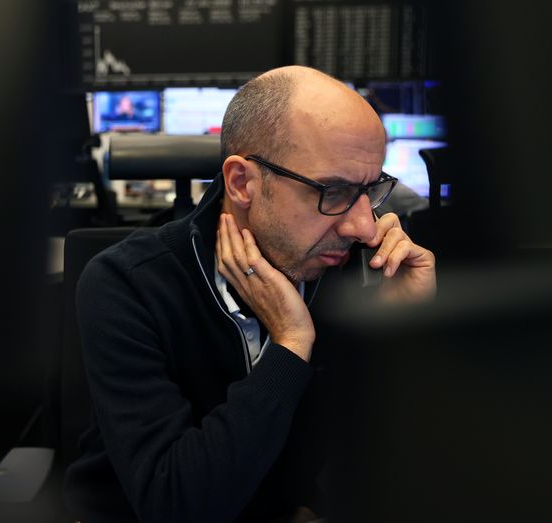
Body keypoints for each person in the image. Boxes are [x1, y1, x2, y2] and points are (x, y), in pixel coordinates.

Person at [63, 66, 436, 522]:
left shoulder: (359, 267)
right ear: (241, 183)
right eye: (334, 192)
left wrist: (405, 339)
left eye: (370, 190)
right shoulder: (128, 284)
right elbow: (176, 504)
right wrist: (290, 344)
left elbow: (385, 467)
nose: (361, 225)